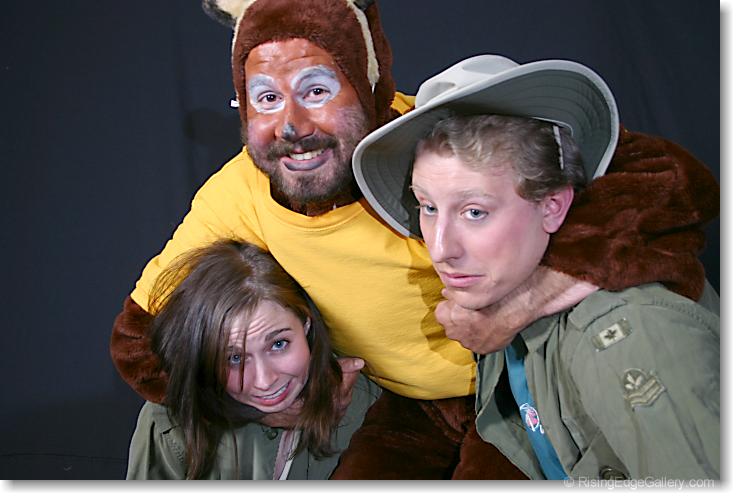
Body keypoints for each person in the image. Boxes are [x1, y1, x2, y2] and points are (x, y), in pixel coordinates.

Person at [111, 0, 719, 478]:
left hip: (517, 385)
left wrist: (519, 307)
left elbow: (672, 185)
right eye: (266, 98)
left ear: (367, 87)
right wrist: (280, 395)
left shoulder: (430, 134)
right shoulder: (238, 191)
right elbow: (138, 342)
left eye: (317, 90)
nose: (291, 125)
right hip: (405, 407)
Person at [352, 54, 720, 479]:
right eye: (428, 207)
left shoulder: (629, 338)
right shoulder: (502, 298)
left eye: (475, 212)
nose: (439, 248)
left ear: (552, 207)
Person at [126, 239, 380, 479]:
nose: (264, 381)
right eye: (235, 358)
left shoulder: (368, 403)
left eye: (279, 344)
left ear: (306, 324)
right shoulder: (171, 422)